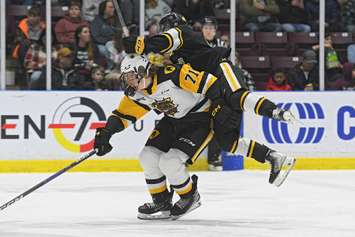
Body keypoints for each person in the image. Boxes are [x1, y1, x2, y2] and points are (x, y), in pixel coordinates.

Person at [93, 54, 296, 220]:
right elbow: (123, 115)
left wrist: (221, 107)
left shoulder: (173, 75)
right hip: (173, 120)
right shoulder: (137, 93)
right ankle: (161, 203)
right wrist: (106, 133)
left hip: (200, 119)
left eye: (130, 76)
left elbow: (211, 85)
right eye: (125, 77)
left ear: (143, 71)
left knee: (170, 162)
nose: (127, 82)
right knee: (147, 156)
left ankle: (190, 196)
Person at [122, 12, 295, 170]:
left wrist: (138, 44)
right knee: (227, 141)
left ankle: (275, 111)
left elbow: (160, 42)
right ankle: (273, 157)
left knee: (237, 96)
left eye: (164, 29)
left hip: (220, 68)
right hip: (212, 91)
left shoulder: (182, 32)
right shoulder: (176, 55)